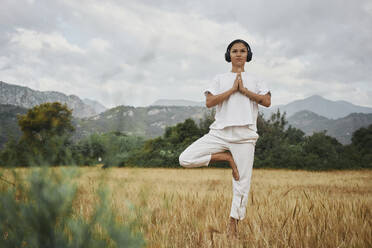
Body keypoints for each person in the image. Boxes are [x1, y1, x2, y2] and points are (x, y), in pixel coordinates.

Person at [179, 39, 271, 237]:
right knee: (185, 158)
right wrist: (232, 90)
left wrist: (244, 90)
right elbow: (210, 102)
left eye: (243, 51)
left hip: (245, 135)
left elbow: (267, 101)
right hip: (219, 132)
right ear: (229, 55)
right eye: (234, 50)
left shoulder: (257, 79)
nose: (238, 54)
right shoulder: (219, 78)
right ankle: (226, 158)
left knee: (242, 183)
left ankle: (233, 228)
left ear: (248, 55)